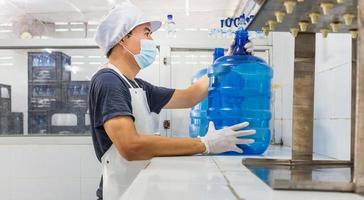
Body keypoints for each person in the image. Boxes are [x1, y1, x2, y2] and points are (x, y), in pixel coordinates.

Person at [90, 2, 256, 200]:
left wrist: (226, 62)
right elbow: (130, 146)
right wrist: (204, 144)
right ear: (123, 39)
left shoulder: (136, 85)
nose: (152, 41)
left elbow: (190, 96)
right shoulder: (108, 81)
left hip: (138, 187)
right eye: (146, 33)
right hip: (120, 193)